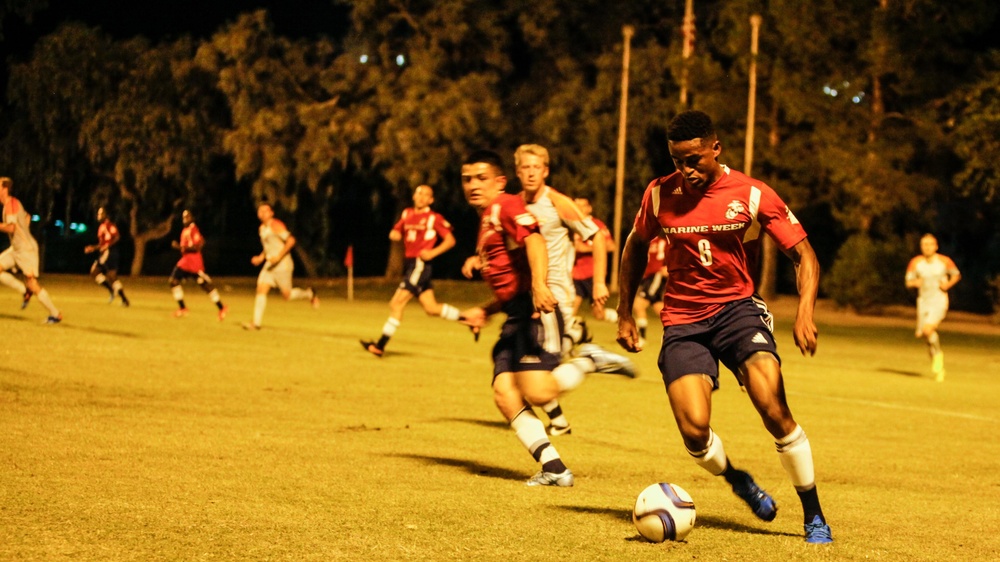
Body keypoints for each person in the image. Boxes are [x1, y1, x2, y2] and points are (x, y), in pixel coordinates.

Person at [615, 110, 832, 544]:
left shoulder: (751, 194)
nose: (686, 170)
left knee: (772, 404)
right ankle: (738, 480)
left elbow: (804, 255)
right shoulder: (659, 194)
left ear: (716, 148)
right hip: (682, 320)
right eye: (677, 161)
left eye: (694, 159)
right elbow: (636, 245)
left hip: (737, 311)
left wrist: (805, 311)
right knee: (695, 430)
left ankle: (814, 515)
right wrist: (625, 311)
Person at [458, 150, 625, 487]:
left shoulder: (506, 206)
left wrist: (539, 285)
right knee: (505, 393)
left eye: (481, 178)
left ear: (500, 181)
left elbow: (534, 240)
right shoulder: (489, 216)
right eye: (467, 179)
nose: (473, 185)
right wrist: (486, 309)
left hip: (536, 311)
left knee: (537, 391)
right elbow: (511, 273)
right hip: (515, 314)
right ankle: (554, 468)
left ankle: (588, 360)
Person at [511, 144, 637, 436]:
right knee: (528, 367)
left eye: (536, 167)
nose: (531, 173)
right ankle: (559, 421)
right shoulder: (516, 205)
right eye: (525, 168)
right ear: (518, 172)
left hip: (555, 294)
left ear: (545, 171)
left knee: (538, 369)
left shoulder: (558, 202)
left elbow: (598, 239)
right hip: (529, 296)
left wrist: (599, 283)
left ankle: (588, 357)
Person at [361, 184, 465, 357]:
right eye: (419, 193)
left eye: (426, 195)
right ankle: (468, 319)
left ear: (431, 200)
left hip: (420, 265)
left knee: (396, 303)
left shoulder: (434, 218)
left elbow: (450, 240)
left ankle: (380, 346)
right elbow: (397, 229)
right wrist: (394, 233)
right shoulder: (407, 213)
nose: (422, 197)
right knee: (431, 308)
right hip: (411, 264)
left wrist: (432, 253)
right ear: (414, 196)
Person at [242, 203, 318, 331]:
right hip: (270, 265)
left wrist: (279, 256)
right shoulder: (262, 228)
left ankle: (309, 294)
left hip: (283, 265)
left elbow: (291, 241)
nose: (262, 213)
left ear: (271, 213)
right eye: (260, 211)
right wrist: (261, 258)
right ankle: (256, 323)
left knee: (286, 295)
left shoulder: (276, 225)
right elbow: (268, 248)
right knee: (261, 289)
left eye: (265, 211)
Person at [0, 177, 62, 323]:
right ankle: (24, 290)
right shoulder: (11, 204)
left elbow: (11, 227)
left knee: (33, 284)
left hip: (26, 250)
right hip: (16, 248)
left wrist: (20, 233)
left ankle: (56, 314)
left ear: (5, 189)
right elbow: (27, 217)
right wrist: (23, 231)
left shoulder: (11, 204)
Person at [905, 233, 960, 382]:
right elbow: (908, 281)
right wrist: (915, 283)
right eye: (924, 244)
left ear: (936, 246)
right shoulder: (916, 262)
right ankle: (938, 366)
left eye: (930, 244)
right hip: (923, 302)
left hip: (939, 300)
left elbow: (956, 275)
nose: (927, 247)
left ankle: (938, 360)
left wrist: (947, 285)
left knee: (928, 329)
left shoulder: (944, 261)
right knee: (925, 335)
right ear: (921, 246)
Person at [169, 209, 229, 321]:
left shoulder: (193, 229)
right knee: (173, 281)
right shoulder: (185, 230)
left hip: (193, 262)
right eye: (183, 217)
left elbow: (198, 245)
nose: (185, 219)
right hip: (186, 261)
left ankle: (221, 307)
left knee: (204, 285)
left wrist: (179, 247)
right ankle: (183, 308)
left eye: (187, 217)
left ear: (192, 218)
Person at [571, 197, 618, 323]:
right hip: (575, 275)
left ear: (589, 208)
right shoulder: (571, 224)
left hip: (593, 274)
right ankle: (575, 332)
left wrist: (588, 248)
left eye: (582, 205)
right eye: (576, 205)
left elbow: (611, 246)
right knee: (570, 312)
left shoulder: (597, 225)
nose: (579, 208)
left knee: (598, 313)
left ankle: (620, 318)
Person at [84, 207, 130, 306]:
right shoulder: (101, 227)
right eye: (98, 213)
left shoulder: (109, 225)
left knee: (107, 275)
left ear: (105, 215)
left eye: (100, 213)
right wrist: (93, 248)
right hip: (105, 253)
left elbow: (117, 237)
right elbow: (102, 244)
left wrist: (108, 246)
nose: (98, 215)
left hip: (110, 253)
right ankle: (118, 295)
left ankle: (121, 297)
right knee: (99, 273)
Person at [632, 234, 668, 349]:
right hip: (648, 277)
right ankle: (679, 328)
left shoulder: (662, 242)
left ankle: (642, 338)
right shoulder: (647, 241)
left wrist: (667, 268)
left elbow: (669, 256)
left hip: (656, 276)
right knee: (659, 308)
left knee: (639, 305)